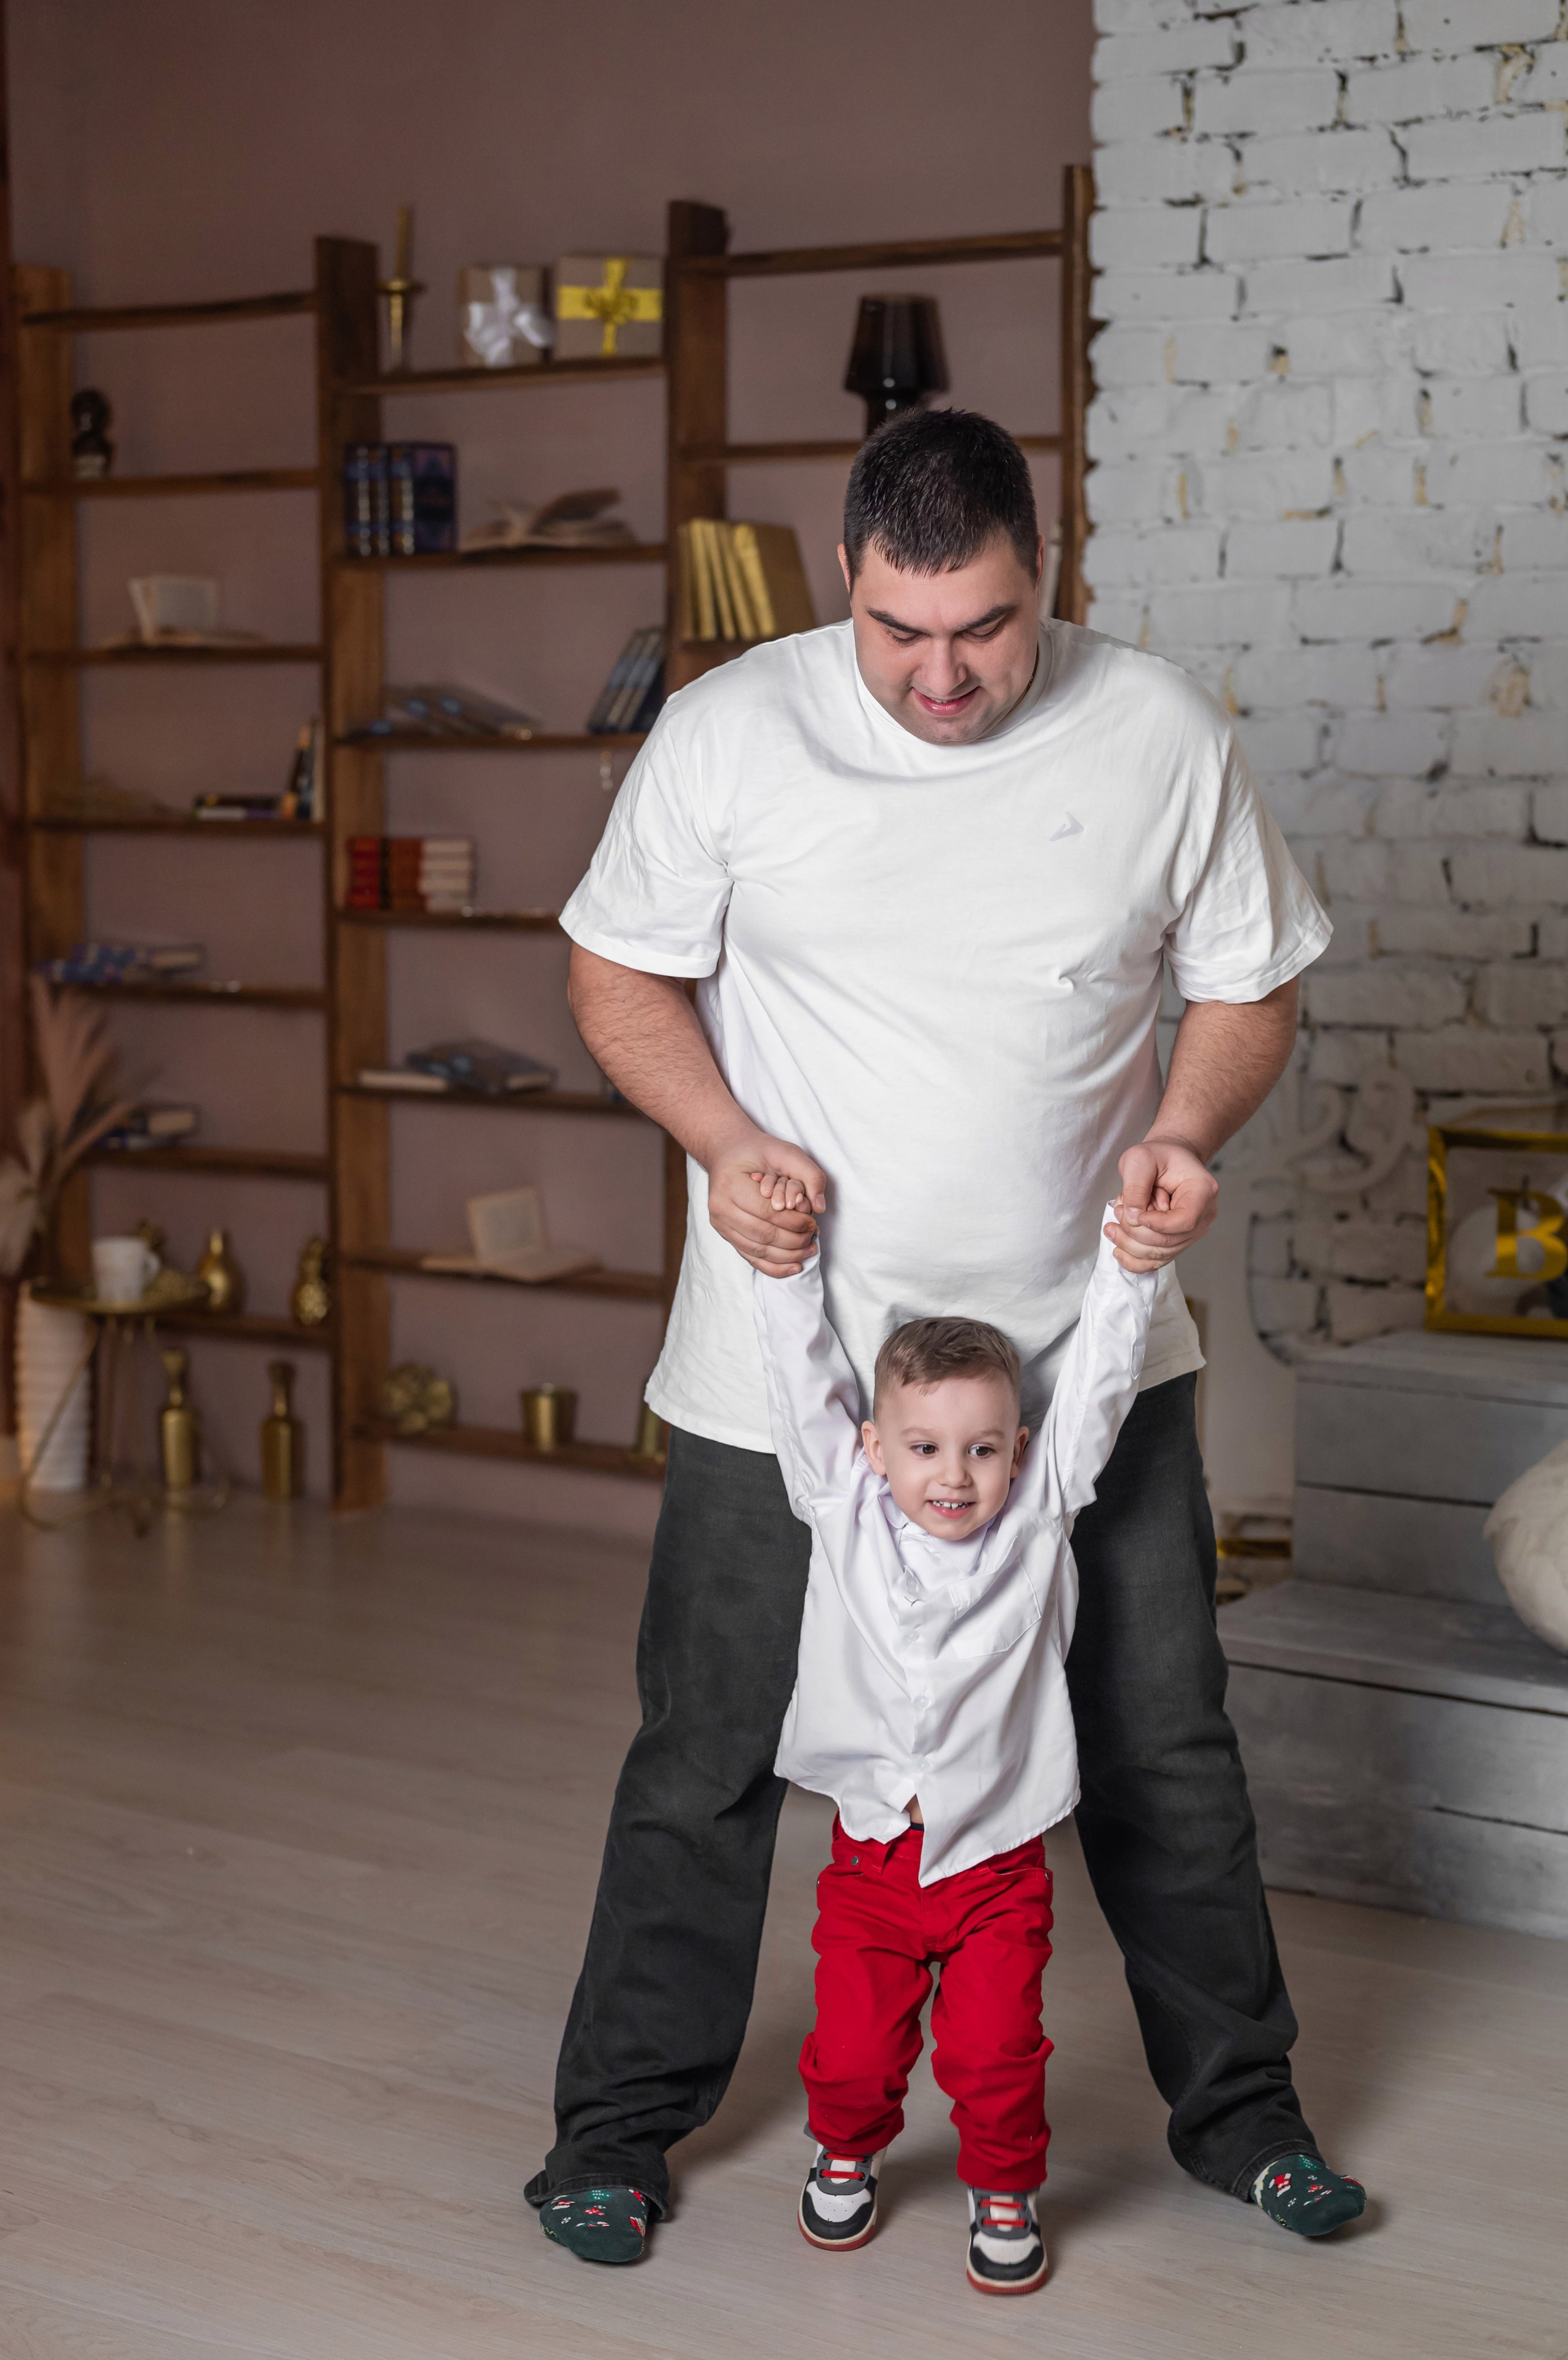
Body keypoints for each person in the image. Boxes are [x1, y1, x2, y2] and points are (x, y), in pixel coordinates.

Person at [529, 407, 1345, 2267]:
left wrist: (1185, 1132)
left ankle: (1247, 2117)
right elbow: (614, 967)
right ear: (845, 583)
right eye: (902, 631)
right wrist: (726, 1141)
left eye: (982, 625)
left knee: (1166, 1746)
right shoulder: (734, 728)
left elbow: (1253, 982)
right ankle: (611, 2134)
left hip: (1084, 1362)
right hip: (781, 1372)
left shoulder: (1155, 731)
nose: (945, 671)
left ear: (1040, 576)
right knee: (706, 1749)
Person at [756, 1202, 1158, 2295]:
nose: (954, 1474)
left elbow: (1099, 1391)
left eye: (983, 1448)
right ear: (876, 1447)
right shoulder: (839, 1508)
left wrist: (1132, 1265)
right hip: (873, 1863)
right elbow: (802, 1386)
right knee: (853, 2050)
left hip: (996, 1864)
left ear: (1018, 1450)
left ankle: (1004, 2181)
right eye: (926, 1447)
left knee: (991, 2050)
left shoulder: (1037, 1520)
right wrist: (785, 1272)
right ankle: (846, 2146)